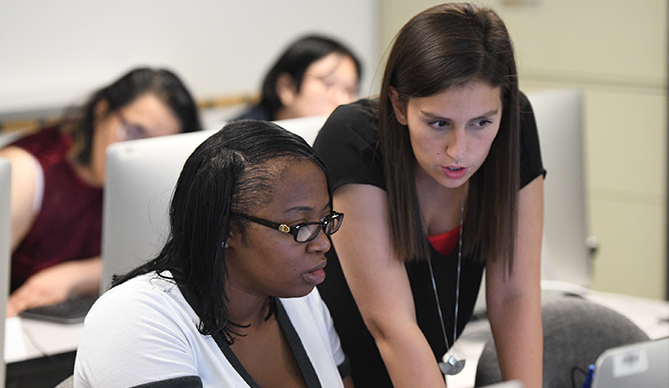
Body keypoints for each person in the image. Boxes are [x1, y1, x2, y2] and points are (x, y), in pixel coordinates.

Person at [313, 3, 545, 388]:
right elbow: (392, 328)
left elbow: (515, 296)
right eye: (439, 123)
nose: (460, 150)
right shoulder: (353, 140)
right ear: (399, 105)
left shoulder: (514, 126)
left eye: (481, 123)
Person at [74, 120, 354, 388]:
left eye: (326, 220)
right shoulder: (135, 319)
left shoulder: (302, 302)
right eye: (300, 226)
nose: (323, 244)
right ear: (225, 229)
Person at [0, 67, 202, 317]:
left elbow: (178, 256)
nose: (138, 153)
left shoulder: (156, 175)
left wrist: (76, 276)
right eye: (133, 132)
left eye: (155, 146)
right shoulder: (27, 171)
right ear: (101, 112)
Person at [233, 34, 362, 122]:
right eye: (329, 84)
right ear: (286, 87)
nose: (343, 101)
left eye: (351, 90)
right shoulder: (234, 143)